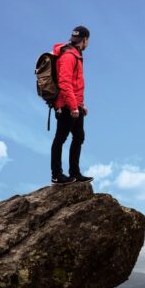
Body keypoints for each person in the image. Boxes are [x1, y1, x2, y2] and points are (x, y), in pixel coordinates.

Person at [50, 25, 94, 185]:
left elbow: (76, 84)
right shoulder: (68, 56)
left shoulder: (76, 54)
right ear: (85, 40)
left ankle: (74, 173)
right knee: (60, 139)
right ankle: (57, 175)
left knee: (79, 137)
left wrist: (81, 104)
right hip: (65, 105)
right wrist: (73, 106)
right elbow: (64, 83)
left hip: (74, 104)